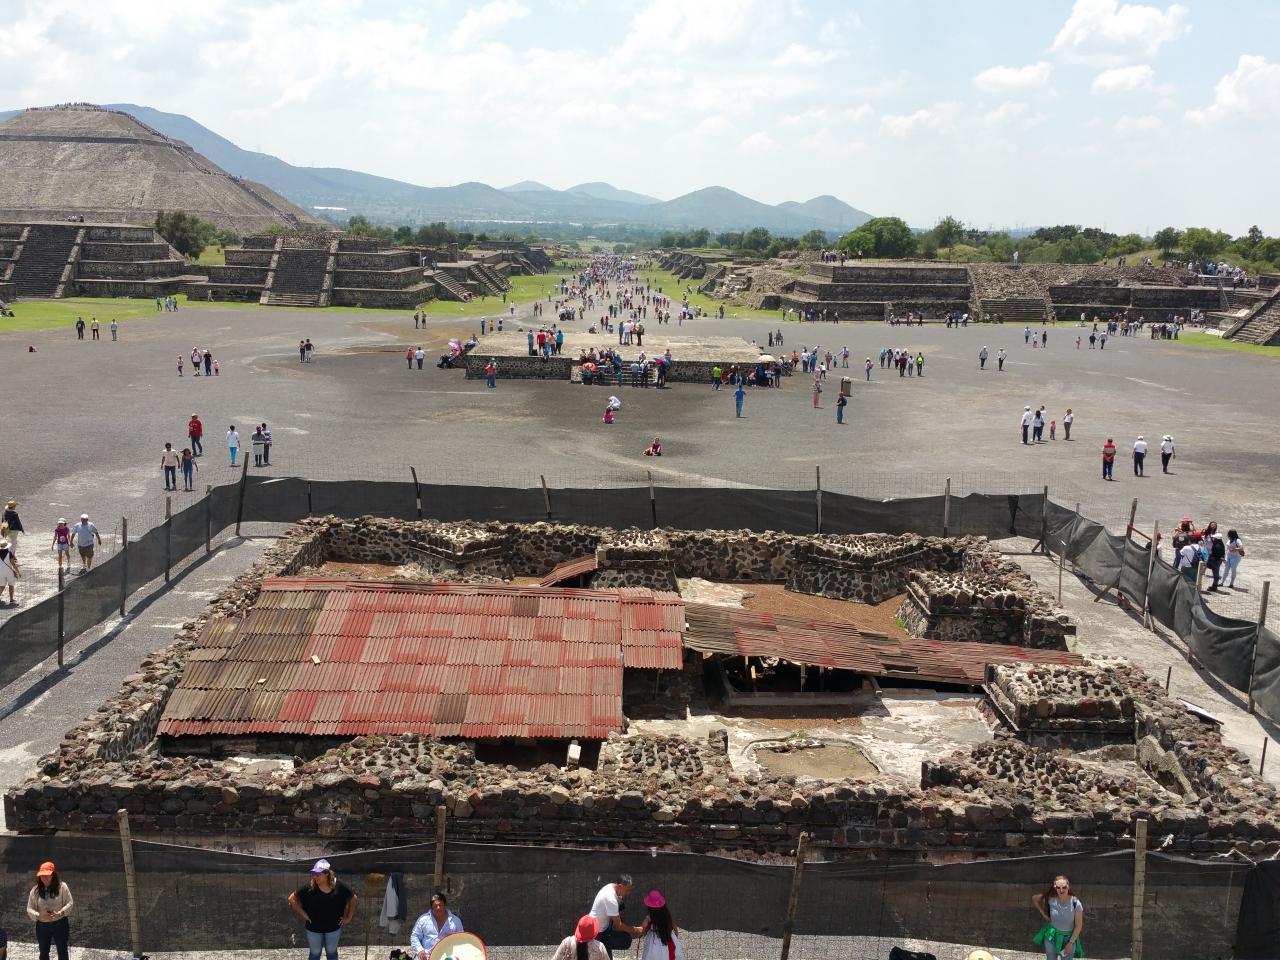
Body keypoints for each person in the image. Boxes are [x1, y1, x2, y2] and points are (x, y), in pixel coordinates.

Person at [288, 859, 357, 960]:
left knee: (331, 952)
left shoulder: (339, 886)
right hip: (313, 928)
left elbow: (353, 898)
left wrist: (348, 917)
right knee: (315, 953)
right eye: (314, 874)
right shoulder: (309, 887)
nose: (315, 876)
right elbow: (292, 899)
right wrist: (304, 915)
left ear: (327, 874)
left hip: (333, 927)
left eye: (318, 874)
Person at [1032, 875, 1083, 960]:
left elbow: (1079, 926)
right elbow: (1035, 898)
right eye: (1058, 887)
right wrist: (1044, 914)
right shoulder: (1051, 899)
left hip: (1069, 938)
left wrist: (1071, 943)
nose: (1061, 890)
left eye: (1064, 887)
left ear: (1068, 886)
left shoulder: (1076, 903)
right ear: (1055, 887)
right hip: (1052, 935)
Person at [590, 876, 642, 957]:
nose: (628, 893)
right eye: (627, 890)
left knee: (607, 955)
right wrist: (636, 930)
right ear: (620, 886)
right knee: (626, 941)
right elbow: (618, 926)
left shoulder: (610, 886)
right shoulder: (611, 899)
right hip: (596, 932)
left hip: (602, 928)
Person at [409, 891, 463, 960]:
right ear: (431, 907)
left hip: (448, 957)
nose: (438, 908)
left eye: (440, 905)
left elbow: (461, 939)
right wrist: (420, 950)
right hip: (426, 956)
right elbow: (415, 936)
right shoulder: (423, 920)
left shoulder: (455, 921)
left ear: (445, 906)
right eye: (435, 906)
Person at [638, 891, 683, 960]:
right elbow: (674, 927)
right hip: (668, 938)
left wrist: (642, 932)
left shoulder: (649, 918)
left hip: (654, 943)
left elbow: (643, 931)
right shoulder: (667, 914)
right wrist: (675, 937)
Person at [0, 538, 18, 607]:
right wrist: (18, 572)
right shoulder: (9, 553)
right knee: (11, 585)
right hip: (8, 571)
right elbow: (13, 564)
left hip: (0, 571)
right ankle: (11, 599)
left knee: (1, 585)